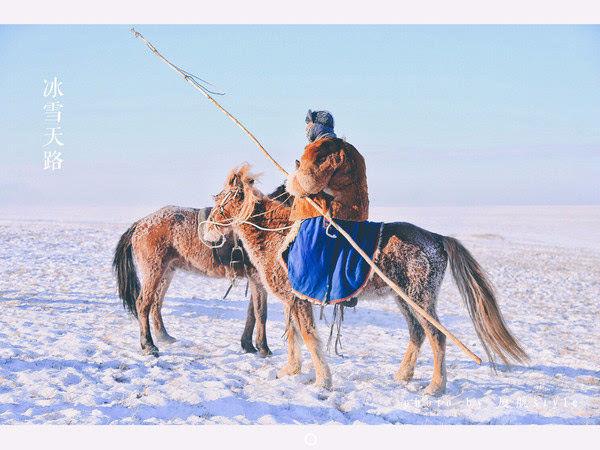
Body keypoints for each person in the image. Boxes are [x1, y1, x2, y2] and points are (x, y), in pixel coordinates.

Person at [282, 110, 380, 307]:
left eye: (308, 126)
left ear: (316, 127)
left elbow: (309, 184)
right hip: (356, 214)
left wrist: (293, 180)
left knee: (303, 254)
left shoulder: (318, 149)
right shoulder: (351, 150)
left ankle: (317, 291)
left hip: (331, 214)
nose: (306, 130)